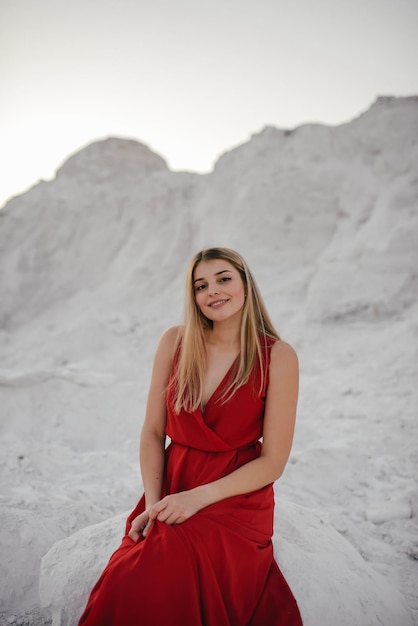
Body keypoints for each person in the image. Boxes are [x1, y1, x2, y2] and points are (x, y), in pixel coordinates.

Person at [79, 247, 303, 625]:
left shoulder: (278, 356)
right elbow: (152, 432)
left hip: (235, 496)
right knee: (131, 570)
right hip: (173, 481)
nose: (213, 291)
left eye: (224, 279)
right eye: (201, 286)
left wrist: (198, 498)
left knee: (168, 560)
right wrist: (154, 505)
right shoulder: (175, 342)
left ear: (246, 286)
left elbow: (273, 461)